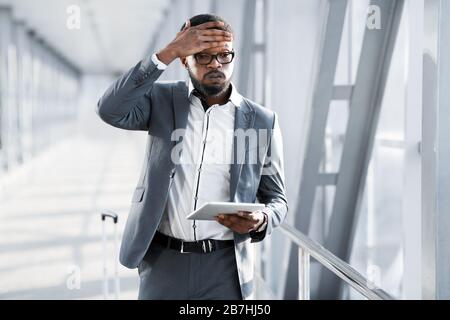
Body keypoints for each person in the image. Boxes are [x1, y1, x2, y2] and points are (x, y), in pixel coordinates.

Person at [96, 13, 288, 300]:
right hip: (164, 261)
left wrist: (262, 218)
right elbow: (110, 109)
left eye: (224, 55)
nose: (215, 65)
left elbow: (278, 200)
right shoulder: (161, 100)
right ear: (185, 59)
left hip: (226, 268)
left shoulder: (261, 120)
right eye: (203, 56)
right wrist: (167, 52)